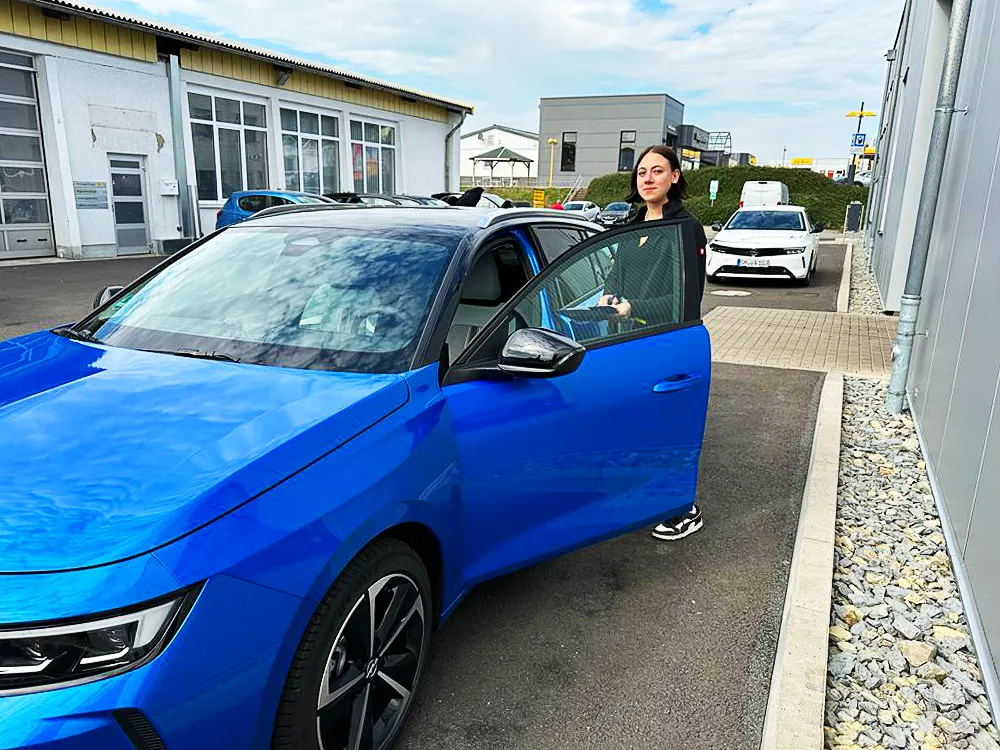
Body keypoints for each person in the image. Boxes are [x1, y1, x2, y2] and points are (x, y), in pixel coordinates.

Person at [599, 144, 708, 541]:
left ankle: (684, 507)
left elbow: (688, 296)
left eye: (657, 171)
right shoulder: (633, 224)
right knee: (635, 419)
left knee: (668, 423)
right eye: (642, 172)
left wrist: (635, 305)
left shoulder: (685, 228)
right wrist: (608, 298)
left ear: (675, 177)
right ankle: (641, 493)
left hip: (664, 340)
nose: (647, 179)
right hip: (625, 339)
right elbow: (615, 274)